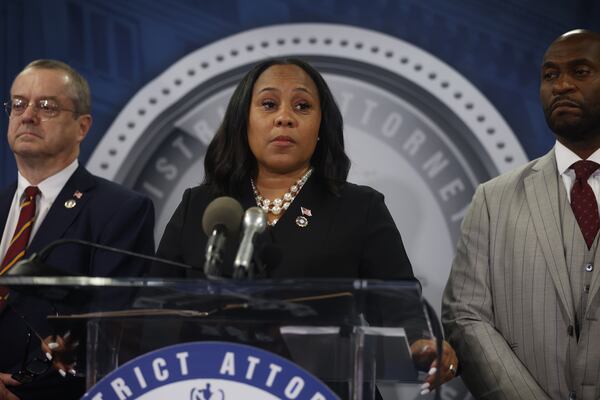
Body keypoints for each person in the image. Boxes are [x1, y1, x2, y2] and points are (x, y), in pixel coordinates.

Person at [155, 57, 458, 395]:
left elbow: (398, 304)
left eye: (302, 106)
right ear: (244, 121)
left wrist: (420, 342)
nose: (284, 117)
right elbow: (155, 309)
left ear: (320, 127)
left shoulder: (359, 207)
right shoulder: (200, 205)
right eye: (268, 104)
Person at [442, 29, 600, 399]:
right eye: (550, 75)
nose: (561, 85)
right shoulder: (492, 200)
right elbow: (465, 316)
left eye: (580, 72)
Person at [0, 60, 155, 400]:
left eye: (47, 106)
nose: (28, 115)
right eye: (18, 103)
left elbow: (111, 335)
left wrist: (23, 386)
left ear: (82, 126)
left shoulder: (120, 210)